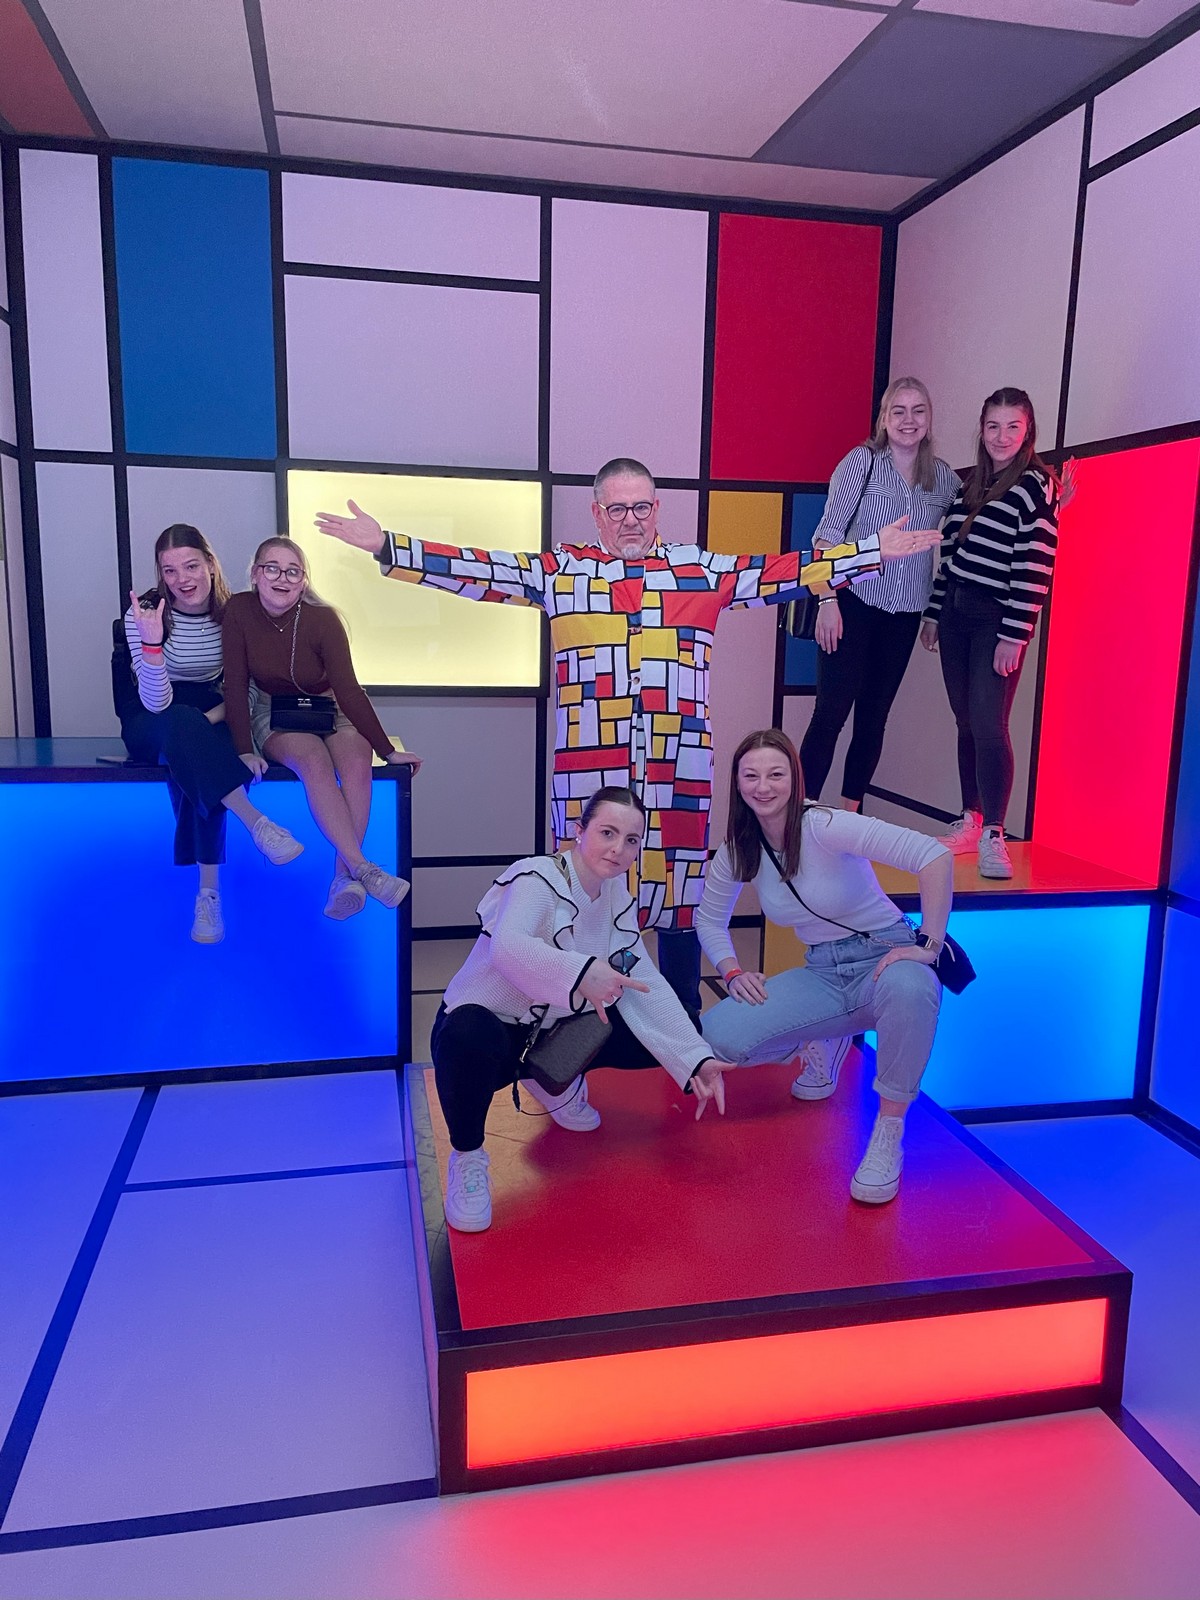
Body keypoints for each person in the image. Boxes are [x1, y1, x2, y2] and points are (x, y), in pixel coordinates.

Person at [316, 460, 940, 1014]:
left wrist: (870, 552)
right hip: (590, 773)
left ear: (657, 508)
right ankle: (581, 1021)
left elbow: (784, 573)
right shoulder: (562, 573)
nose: (631, 519)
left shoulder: (699, 571)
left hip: (678, 770)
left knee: (679, 896)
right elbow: (483, 568)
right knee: (584, 893)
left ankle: (685, 1023)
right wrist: (389, 546)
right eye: (617, 509)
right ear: (597, 513)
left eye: (642, 506)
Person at [430, 786, 732, 1232]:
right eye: (607, 832)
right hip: (490, 1029)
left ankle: (554, 1079)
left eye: (631, 840)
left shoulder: (615, 897)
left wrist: (695, 1057)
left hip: (550, 1028)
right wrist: (583, 972)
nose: (618, 849)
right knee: (467, 1034)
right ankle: (468, 1155)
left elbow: (642, 977)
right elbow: (508, 948)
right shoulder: (536, 877)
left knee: (671, 1022)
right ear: (579, 830)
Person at [697, 729, 952, 1205]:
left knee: (912, 986)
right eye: (751, 776)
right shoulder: (739, 849)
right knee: (716, 1038)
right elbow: (708, 919)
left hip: (885, 960)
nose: (763, 787)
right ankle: (825, 1038)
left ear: (795, 777)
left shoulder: (826, 825)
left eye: (776, 774)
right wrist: (732, 971)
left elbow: (932, 855)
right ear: (736, 782)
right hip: (824, 972)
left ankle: (888, 1131)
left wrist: (929, 946)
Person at [121, 524, 305, 944]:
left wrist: (214, 726)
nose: (182, 579)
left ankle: (208, 897)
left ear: (210, 564)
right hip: (152, 716)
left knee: (202, 755)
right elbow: (155, 703)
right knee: (185, 727)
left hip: (215, 709)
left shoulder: (235, 612)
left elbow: (247, 686)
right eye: (169, 571)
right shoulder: (145, 613)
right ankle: (257, 824)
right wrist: (152, 646)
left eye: (191, 566)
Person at [221, 538, 421, 917]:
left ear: (303, 581)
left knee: (358, 758)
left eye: (293, 571)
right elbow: (235, 684)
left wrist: (387, 750)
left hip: (330, 706)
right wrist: (244, 749)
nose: (282, 578)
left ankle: (343, 878)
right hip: (273, 708)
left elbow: (348, 689)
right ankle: (364, 869)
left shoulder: (323, 619)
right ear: (255, 574)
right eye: (272, 568)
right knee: (313, 759)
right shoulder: (239, 610)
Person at [800, 378, 961, 810]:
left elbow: (979, 513)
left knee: (874, 719)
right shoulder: (863, 462)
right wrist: (827, 601)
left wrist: (1051, 503)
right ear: (884, 419)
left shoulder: (944, 478)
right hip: (851, 605)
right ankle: (799, 816)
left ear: (929, 419)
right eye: (898, 411)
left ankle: (850, 816)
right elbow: (826, 538)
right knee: (830, 715)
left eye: (918, 410)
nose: (909, 420)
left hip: (904, 615)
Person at [921, 388, 1062, 880]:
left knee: (988, 723)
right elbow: (950, 559)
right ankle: (971, 820)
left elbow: (1036, 565)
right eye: (993, 426)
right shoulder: (969, 487)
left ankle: (995, 835)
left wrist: (1015, 634)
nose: (1002, 437)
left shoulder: (1036, 486)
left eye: (1012, 427)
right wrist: (933, 615)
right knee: (965, 721)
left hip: (996, 619)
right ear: (981, 431)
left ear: (1028, 432)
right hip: (955, 615)